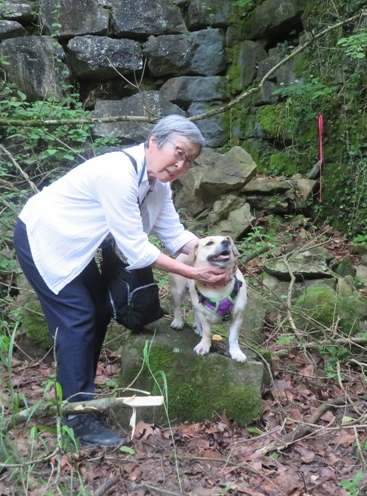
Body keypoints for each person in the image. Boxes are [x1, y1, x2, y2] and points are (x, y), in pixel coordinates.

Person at [12, 115, 231, 447]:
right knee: (77, 318)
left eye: (189, 161)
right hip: (45, 237)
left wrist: (209, 255)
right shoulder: (118, 173)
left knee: (99, 311)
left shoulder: (159, 186)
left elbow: (174, 234)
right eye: (179, 152)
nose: (181, 165)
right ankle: (76, 419)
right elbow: (136, 249)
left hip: (79, 245)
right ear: (154, 141)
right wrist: (193, 272)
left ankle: (81, 400)